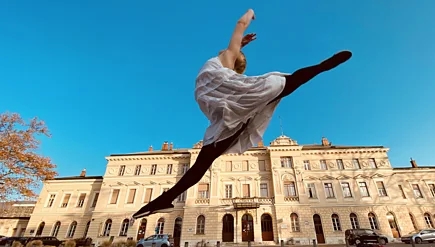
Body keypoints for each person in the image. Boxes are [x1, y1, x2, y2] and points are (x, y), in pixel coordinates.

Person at [130, 9, 352, 222]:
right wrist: (242, 40)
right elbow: (237, 38)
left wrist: (249, 12)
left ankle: (161, 201)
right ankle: (323, 66)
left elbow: (239, 24)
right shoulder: (226, 61)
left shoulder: (220, 61)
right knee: (289, 82)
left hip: (224, 116)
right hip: (236, 112)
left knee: (200, 166)